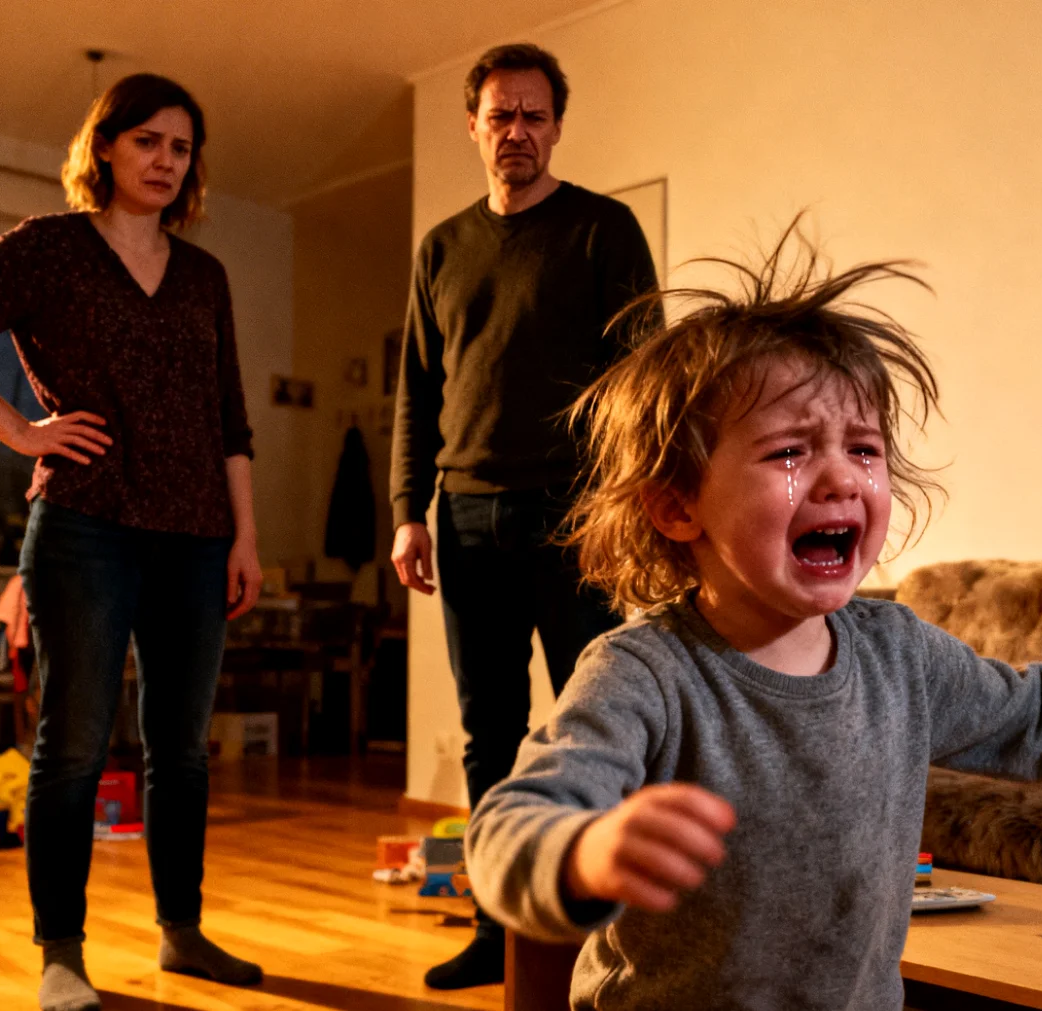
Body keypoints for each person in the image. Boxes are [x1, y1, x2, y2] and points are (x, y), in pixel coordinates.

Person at [465, 229, 1042, 1010]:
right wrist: (581, 854)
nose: (843, 476)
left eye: (865, 448)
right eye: (791, 450)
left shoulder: (899, 653)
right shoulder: (643, 674)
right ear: (676, 506)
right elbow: (509, 825)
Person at [0, 74, 264, 1011]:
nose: (164, 161)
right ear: (105, 147)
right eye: (147, 141)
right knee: (72, 744)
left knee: (180, 749)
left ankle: (181, 933)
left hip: (196, 535)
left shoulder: (205, 275)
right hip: (84, 527)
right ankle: (62, 952)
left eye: (180, 148)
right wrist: (21, 432)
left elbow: (230, 417)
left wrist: (246, 536)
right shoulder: (50, 249)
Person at [387, 43, 660, 989]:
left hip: (576, 516)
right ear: (473, 126)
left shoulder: (604, 230)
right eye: (500, 116)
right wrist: (406, 511)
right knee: (487, 729)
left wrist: (625, 506)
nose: (517, 133)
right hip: (462, 517)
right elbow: (418, 391)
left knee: (597, 720)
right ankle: (495, 925)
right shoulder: (441, 249)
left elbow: (643, 380)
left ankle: (604, 933)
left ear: (557, 125)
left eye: (534, 116)